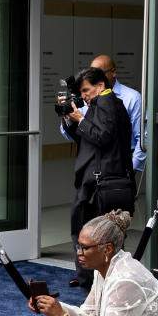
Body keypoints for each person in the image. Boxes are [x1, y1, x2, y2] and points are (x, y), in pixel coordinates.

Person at [61, 67, 134, 292]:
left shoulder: (106, 103)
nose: (83, 96)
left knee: (88, 236)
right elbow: (88, 137)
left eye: (86, 90)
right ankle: (97, 285)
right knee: (97, 236)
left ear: (100, 86)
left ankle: (91, 286)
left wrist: (80, 119)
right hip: (98, 181)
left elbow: (101, 137)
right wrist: (71, 118)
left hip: (98, 184)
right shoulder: (103, 103)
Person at [90, 55, 147, 174]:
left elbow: (143, 138)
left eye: (98, 75)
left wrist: (130, 170)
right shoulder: (88, 97)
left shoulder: (132, 98)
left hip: (121, 165)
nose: (94, 81)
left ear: (113, 72)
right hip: (93, 166)